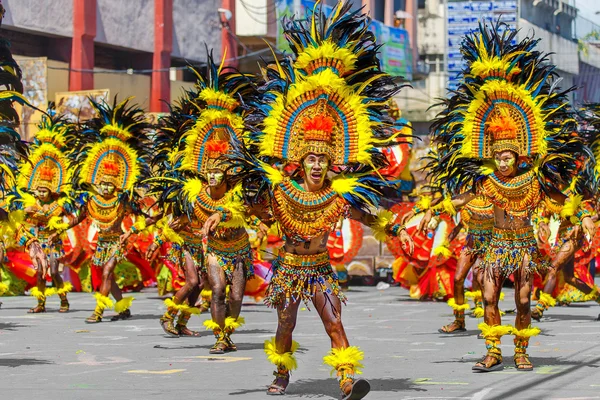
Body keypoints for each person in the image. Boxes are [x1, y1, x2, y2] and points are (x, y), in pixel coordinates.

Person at [204, 2, 414, 398]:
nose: (317, 165)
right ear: (299, 160)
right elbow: (248, 208)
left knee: (334, 324)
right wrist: (222, 216)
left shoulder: (336, 198)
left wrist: (394, 225)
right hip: (288, 269)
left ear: (332, 160)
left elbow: (365, 214)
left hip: (319, 269)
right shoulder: (281, 192)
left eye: (323, 159)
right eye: (311, 158)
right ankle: (282, 375)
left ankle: (347, 379)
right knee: (285, 325)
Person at [419, 21, 595, 372]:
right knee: (487, 296)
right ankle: (493, 350)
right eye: (499, 155)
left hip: (524, 247)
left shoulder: (532, 181)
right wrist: (427, 211)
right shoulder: (484, 182)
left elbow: (563, 202)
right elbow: (460, 200)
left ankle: (521, 351)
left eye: (509, 155)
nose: (504, 160)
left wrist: (584, 216)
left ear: (519, 155)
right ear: (491, 155)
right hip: (494, 246)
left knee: (525, 300)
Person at [148, 57, 258, 346]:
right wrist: (167, 230)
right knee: (214, 288)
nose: (211, 176)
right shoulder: (192, 193)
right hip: (208, 247)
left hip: (237, 246)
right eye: (207, 170)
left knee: (234, 295)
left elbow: (246, 209)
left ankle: (223, 331)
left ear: (228, 172)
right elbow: (179, 214)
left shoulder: (240, 191)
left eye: (217, 171)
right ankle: (218, 337)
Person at [61, 97, 152, 323]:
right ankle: (122, 308)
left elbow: (143, 217)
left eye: (110, 184)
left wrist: (142, 226)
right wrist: (57, 230)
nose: (105, 186)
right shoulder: (91, 202)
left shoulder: (123, 202)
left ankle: (98, 311)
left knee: (106, 273)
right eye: (102, 183)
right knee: (108, 277)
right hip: (101, 243)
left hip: (118, 242)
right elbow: (77, 219)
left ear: (118, 184)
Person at [13, 113, 75, 313]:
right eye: (38, 189)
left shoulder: (60, 205)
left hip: (55, 242)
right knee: (40, 273)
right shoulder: (30, 204)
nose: (40, 192)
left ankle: (64, 301)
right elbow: (20, 221)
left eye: (44, 190)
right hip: (38, 241)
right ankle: (40, 303)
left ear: (51, 191)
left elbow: (74, 218)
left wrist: (62, 227)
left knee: (55, 272)